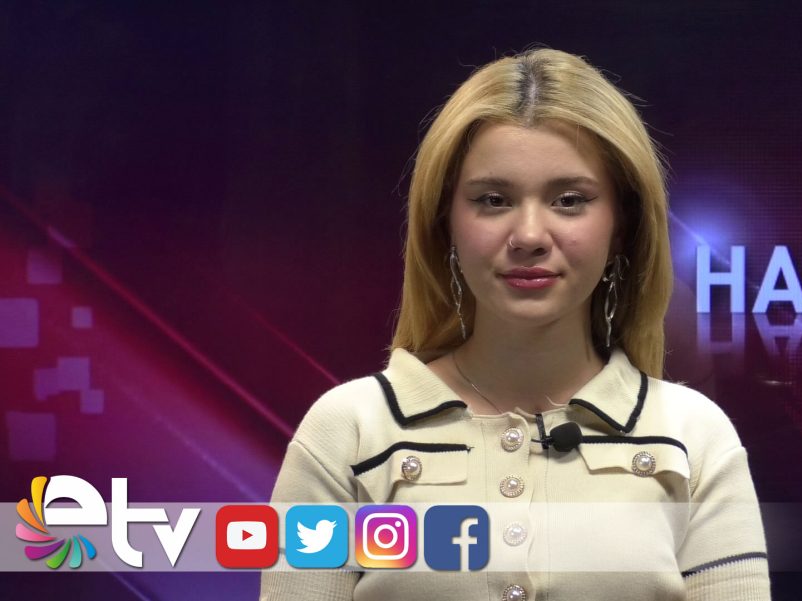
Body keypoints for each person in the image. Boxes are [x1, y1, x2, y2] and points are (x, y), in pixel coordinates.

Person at [261, 47, 770, 601]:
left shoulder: (695, 436)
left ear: (621, 226)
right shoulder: (348, 431)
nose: (529, 235)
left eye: (569, 200)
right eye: (493, 199)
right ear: (445, 222)